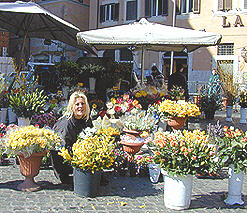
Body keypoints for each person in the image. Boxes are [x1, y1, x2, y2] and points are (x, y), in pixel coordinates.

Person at [50, 91, 93, 184]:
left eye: (83, 104)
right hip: (64, 160)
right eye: (77, 104)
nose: (80, 106)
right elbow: (60, 148)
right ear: (72, 106)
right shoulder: (65, 124)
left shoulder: (86, 119)